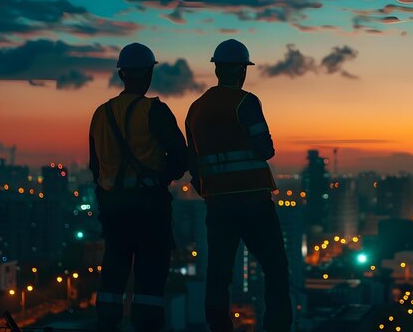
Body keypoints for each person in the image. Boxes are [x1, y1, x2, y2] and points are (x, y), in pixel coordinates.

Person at [186, 39, 292, 332]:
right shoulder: (246, 102)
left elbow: (192, 162)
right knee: (276, 269)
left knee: (219, 273)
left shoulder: (195, 110)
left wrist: (209, 191)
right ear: (242, 71)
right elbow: (265, 149)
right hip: (253, 202)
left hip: (218, 205)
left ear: (217, 69)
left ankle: (218, 326)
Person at [89, 42, 187, 332]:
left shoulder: (100, 114)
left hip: (114, 208)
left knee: (114, 269)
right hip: (148, 208)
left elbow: (96, 167)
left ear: (122, 75)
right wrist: (161, 177)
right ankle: (147, 326)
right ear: (148, 75)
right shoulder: (154, 111)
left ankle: (106, 323)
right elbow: (180, 157)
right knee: (150, 274)